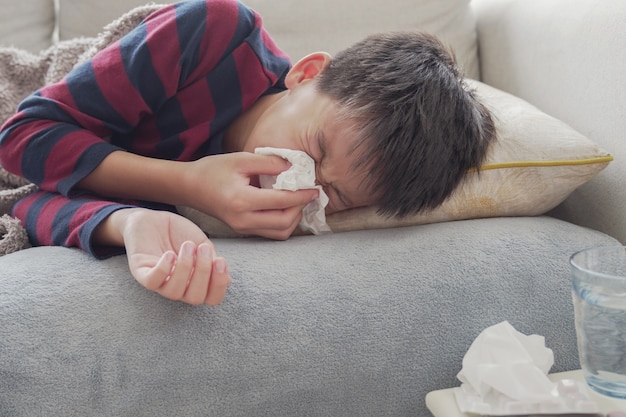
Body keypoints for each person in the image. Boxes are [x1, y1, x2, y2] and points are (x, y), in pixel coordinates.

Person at [0, 0, 495, 306]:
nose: (300, 183)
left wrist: (129, 224)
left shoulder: (265, 216)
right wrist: (187, 183)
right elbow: (22, 136)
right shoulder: (213, 33)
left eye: (335, 195)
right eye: (314, 149)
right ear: (307, 73)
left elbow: (34, 199)